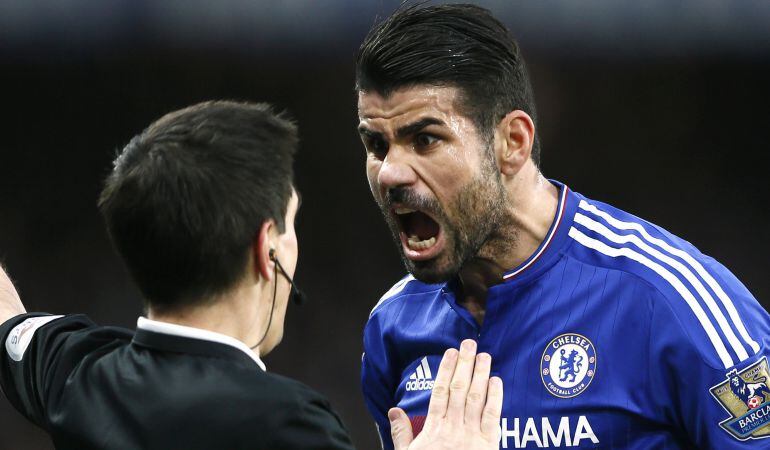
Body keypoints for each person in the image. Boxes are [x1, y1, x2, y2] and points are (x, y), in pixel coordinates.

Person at [355, 4, 770, 449]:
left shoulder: (670, 301)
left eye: (425, 139)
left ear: (513, 143)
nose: (389, 173)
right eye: (377, 145)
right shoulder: (394, 326)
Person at [0, 100, 503, 449]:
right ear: (267, 248)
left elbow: (7, 318)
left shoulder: (77, 373)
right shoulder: (287, 425)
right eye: (291, 221)